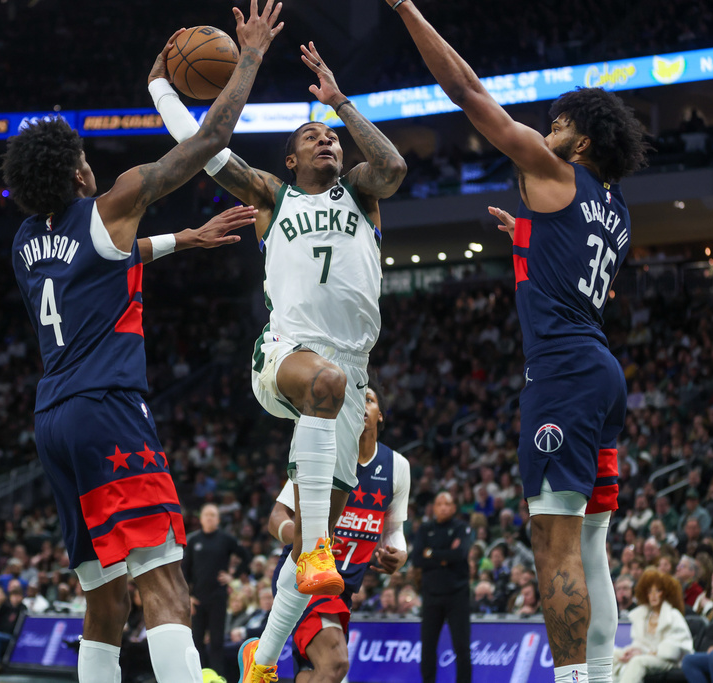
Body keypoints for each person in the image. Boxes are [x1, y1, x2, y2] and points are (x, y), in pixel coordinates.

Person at [1, 4, 282, 682]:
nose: (93, 166)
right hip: (108, 409)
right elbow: (210, 137)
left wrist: (183, 241)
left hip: (53, 420)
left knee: (104, 596)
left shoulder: (24, 243)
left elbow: (98, 262)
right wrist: (247, 58)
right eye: (85, 160)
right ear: (75, 174)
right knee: (166, 586)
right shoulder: (114, 200)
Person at [383, 4, 650, 683]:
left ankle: (572, 679)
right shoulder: (615, 209)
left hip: (561, 373)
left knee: (553, 540)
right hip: (602, 371)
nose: (548, 131)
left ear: (582, 141)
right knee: (592, 544)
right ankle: (600, 676)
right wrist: (527, 237)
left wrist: (406, 9)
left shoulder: (555, 169)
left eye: (559, 124)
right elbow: (574, 263)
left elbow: (470, 92)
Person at [148, 30, 405, 683]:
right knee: (322, 389)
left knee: (315, 542)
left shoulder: (362, 192)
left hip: (350, 371)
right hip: (286, 352)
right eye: (312, 136)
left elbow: (396, 167)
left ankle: (259, 663)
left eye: (333, 138)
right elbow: (204, 150)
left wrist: (342, 103)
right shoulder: (272, 196)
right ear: (288, 161)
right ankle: (316, 543)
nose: (328, 140)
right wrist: (159, 88)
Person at [266, 386, 410, 682]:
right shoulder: (324, 457)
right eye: (356, 402)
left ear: (380, 414)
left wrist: (400, 554)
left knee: (312, 673)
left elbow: (394, 531)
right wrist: (307, 537)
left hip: (343, 589)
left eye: (369, 400)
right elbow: (276, 518)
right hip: (305, 575)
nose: (362, 406)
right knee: (335, 664)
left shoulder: (397, 466)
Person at [182, 503, 251, 674]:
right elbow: (184, 571)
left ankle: (218, 677)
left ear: (218, 519)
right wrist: (188, 596)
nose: (209, 518)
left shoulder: (226, 539)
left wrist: (233, 576)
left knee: (216, 642)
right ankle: (198, 676)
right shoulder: (193, 541)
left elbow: (246, 557)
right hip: (197, 599)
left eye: (213, 515)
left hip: (218, 598)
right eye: (206, 515)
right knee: (196, 642)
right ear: (201, 518)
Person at [413, 491, 473, 682]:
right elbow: (417, 560)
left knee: (461, 647)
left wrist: (431, 553)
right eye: (439, 503)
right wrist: (446, 555)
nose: (443, 507)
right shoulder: (425, 529)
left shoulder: (462, 528)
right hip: (431, 595)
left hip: (458, 595)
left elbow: (461, 554)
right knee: (428, 647)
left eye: (447, 503)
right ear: (433, 508)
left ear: (454, 508)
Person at [612, 569, 693, 683]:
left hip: (666, 660)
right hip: (645, 655)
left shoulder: (673, 615)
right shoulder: (643, 615)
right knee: (613, 656)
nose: (653, 595)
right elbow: (640, 643)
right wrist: (633, 650)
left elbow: (672, 651)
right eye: (650, 592)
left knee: (637, 661)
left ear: (665, 593)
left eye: (658, 591)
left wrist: (644, 652)